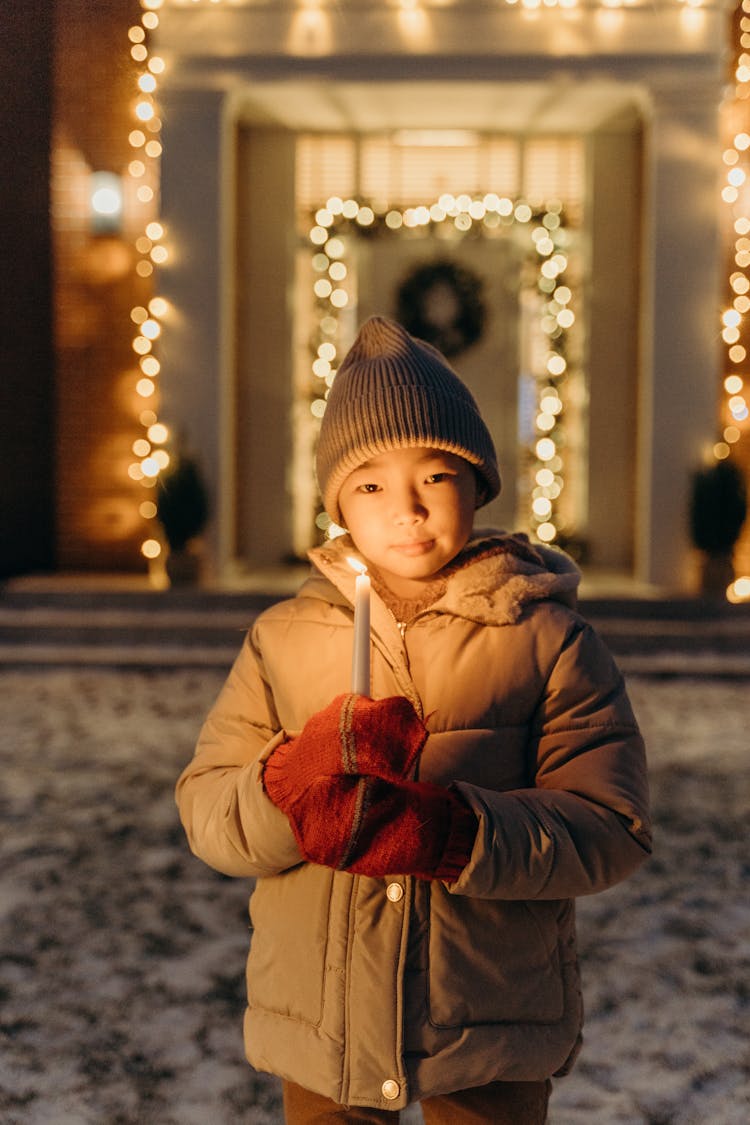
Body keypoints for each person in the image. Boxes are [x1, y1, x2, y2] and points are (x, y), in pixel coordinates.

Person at [176, 315, 651, 1124]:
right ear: (336, 504)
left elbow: (610, 823)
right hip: (325, 1021)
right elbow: (210, 812)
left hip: (489, 1010)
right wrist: (290, 789)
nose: (405, 508)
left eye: (434, 475)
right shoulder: (283, 640)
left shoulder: (545, 639)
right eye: (369, 483)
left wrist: (454, 834)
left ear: (478, 484)